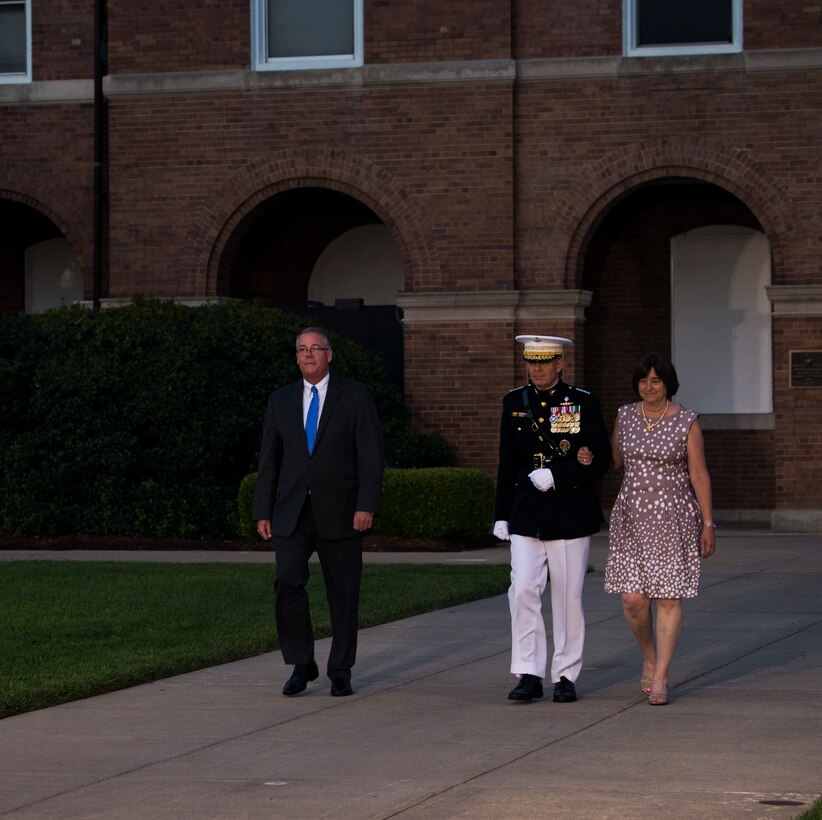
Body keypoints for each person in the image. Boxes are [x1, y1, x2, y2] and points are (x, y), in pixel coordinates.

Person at [253, 327, 384, 698]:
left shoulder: (354, 396)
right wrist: (263, 509)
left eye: (317, 348)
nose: (309, 354)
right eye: (302, 349)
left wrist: (366, 504)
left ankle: (340, 669)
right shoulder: (280, 400)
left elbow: (371, 456)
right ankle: (301, 663)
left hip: (341, 511)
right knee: (287, 584)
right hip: (291, 513)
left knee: (343, 593)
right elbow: (269, 460)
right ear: (296, 357)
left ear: (330, 354)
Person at [493, 335, 610, 704]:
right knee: (524, 590)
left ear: (560, 363)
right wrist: (500, 514)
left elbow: (601, 460)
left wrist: (560, 476)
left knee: (566, 597)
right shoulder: (515, 402)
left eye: (545, 362)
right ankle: (528, 672)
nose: (538, 368)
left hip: (569, 512)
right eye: (532, 362)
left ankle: (565, 674)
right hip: (527, 512)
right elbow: (506, 464)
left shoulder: (582, 401)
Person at [603, 352, 715, 706]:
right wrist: (585, 454)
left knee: (668, 597)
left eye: (655, 380)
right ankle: (649, 656)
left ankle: (662, 674)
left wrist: (708, 523)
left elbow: (698, 474)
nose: (648, 387)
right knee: (633, 599)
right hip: (631, 517)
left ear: (668, 383)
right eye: (642, 381)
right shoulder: (625, 416)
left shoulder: (686, 421)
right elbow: (615, 462)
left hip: (673, 519)